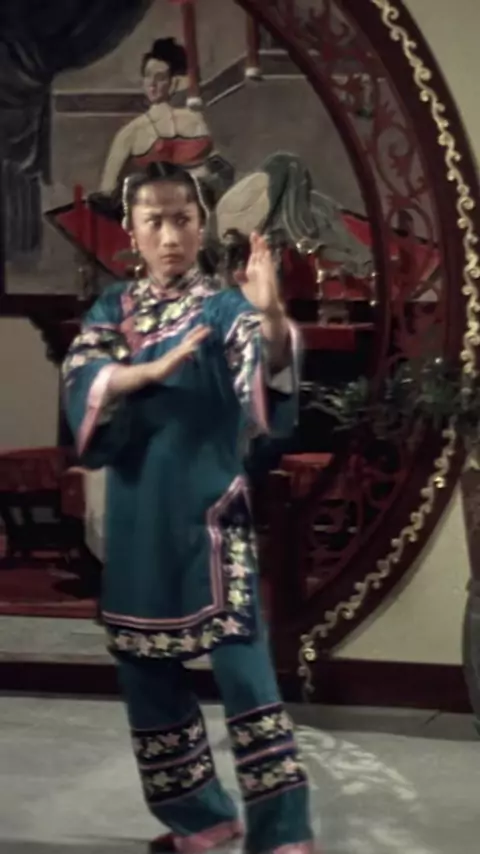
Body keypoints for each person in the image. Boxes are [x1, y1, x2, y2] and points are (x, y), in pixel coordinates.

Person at [62, 160, 314, 854]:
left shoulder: (223, 308)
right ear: (131, 231)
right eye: (155, 221)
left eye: (182, 219)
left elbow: (264, 360)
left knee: (243, 672)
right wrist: (141, 372)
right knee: (145, 671)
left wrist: (269, 314)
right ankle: (200, 820)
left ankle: (283, 834)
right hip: (135, 515)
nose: (170, 236)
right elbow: (83, 374)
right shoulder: (113, 310)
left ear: (202, 226)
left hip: (211, 513)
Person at [99, 38, 233, 200]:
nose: (152, 84)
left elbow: (221, 168)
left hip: (201, 202)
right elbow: (107, 189)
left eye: (160, 77)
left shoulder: (195, 120)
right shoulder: (131, 132)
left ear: (173, 82)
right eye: (147, 76)